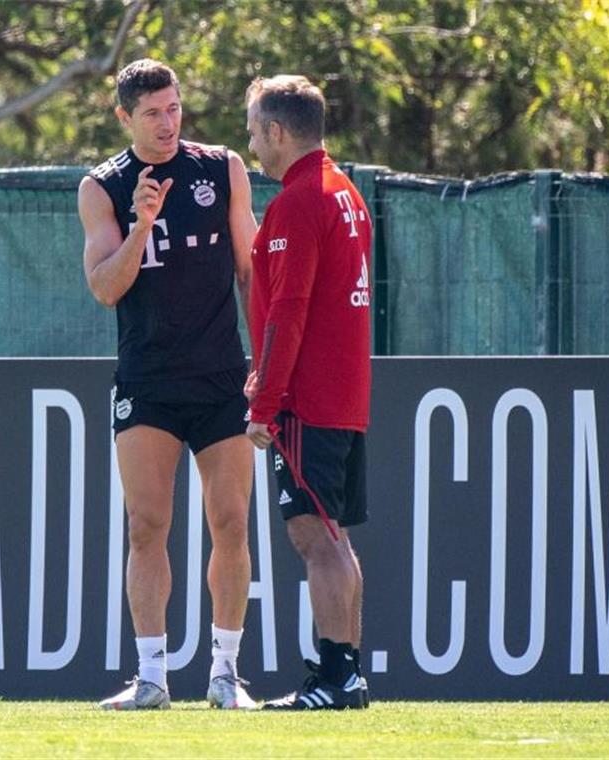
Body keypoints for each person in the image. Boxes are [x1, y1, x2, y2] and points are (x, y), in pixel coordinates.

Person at [79, 59, 259, 710]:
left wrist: (263, 358)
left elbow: (251, 270)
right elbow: (104, 288)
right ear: (124, 116)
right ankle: (152, 677)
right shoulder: (103, 188)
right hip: (149, 379)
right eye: (152, 112)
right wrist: (142, 224)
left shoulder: (222, 168)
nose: (168, 122)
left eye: (175, 108)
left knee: (232, 521)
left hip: (220, 377)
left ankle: (225, 674)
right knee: (146, 526)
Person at [242, 75, 372, 710]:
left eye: (254, 130)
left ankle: (333, 677)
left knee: (313, 539)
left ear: (277, 131)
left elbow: (287, 312)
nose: (251, 144)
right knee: (335, 537)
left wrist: (265, 401)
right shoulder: (347, 193)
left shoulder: (298, 202)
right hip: (343, 395)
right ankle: (347, 673)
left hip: (307, 399)